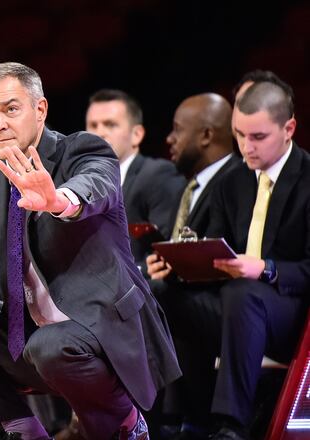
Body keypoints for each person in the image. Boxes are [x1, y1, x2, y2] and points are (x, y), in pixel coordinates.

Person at [0, 62, 181, 440]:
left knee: (51, 345)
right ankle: (21, 427)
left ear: (40, 110)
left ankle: (125, 423)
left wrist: (58, 200)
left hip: (102, 334)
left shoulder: (84, 148)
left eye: (10, 109)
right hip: (31, 339)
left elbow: (96, 186)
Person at [151, 80, 309, 440]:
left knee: (243, 293)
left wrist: (265, 268)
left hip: (289, 310)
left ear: (289, 129)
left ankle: (229, 426)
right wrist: (181, 267)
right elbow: (217, 251)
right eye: (239, 135)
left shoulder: (307, 178)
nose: (246, 147)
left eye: (257, 137)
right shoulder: (232, 181)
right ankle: (179, 418)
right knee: (163, 291)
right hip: (236, 304)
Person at [144, 93, 236, 437]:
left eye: (177, 130)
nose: (169, 139)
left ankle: (164, 418)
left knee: (154, 295)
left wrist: (180, 267)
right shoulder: (193, 186)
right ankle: (172, 419)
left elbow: (236, 247)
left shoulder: (237, 179)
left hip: (228, 305)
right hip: (195, 300)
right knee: (146, 288)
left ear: (206, 136)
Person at [85, 89, 185, 269]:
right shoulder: (78, 182)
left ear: (136, 134)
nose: (99, 133)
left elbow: (167, 251)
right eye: (93, 125)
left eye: (110, 124)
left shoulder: (157, 175)